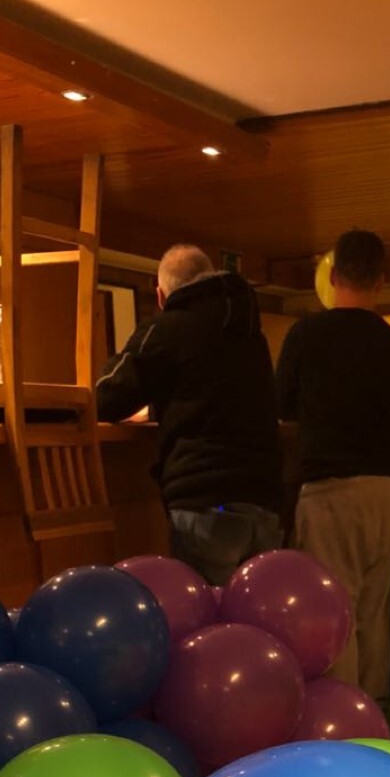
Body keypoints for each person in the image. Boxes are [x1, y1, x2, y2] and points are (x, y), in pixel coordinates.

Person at [276, 229, 390, 698]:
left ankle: (344, 722)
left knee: (333, 609)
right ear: (380, 282)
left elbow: (283, 407)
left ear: (334, 275)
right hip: (385, 487)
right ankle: (374, 715)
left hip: (330, 488)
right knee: (372, 611)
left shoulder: (306, 336)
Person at [96, 244, 282, 585]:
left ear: (160, 295)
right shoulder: (250, 332)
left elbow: (107, 398)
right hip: (265, 501)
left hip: (206, 501)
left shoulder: (169, 329)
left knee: (208, 611)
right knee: (258, 610)